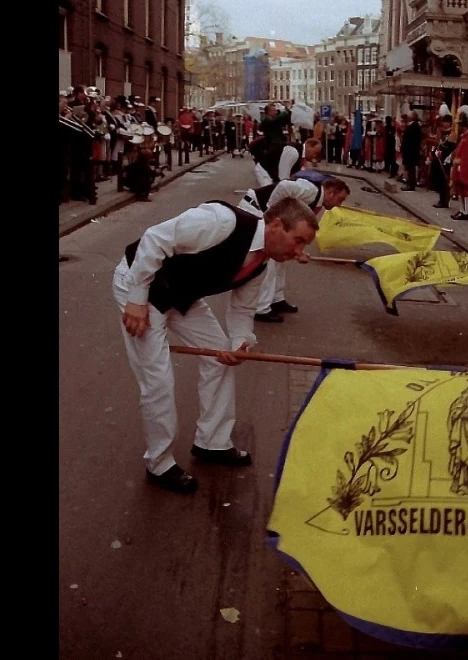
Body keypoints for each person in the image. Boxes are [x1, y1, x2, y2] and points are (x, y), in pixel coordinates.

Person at [112, 197, 320, 494]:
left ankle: (212, 441)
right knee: (157, 379)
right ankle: (159, 463)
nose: (299, 252)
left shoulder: (261, 266)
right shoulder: (220, 222)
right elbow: (155, 238)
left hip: (182, 295)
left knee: (220, 356)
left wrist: (240, 344)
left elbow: (242, 313)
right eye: (297, 241)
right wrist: (136, 299)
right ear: (275, 225)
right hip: (139, 284)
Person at [237, 177, 350, 322]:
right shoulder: (311, 191)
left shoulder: (317, 200)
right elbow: (284, 186)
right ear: (331, 193)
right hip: (254, 208)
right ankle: (261, 308)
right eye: (340, 200)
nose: (338, 205)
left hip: (261, 210)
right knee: (269, 262)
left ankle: (277, 298)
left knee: (280, 262)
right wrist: (270, 214)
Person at [251, 137, 322, 187]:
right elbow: (283, 177)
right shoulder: (293, 152)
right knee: (269, 197)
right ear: (309, 146)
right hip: (265, 172)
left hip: (272, 173)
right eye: (315, 153)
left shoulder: (300, 155)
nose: (315, 156)